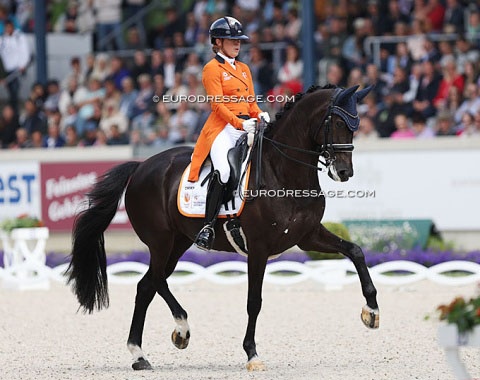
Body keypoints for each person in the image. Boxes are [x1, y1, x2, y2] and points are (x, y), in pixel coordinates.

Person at [188, 16, 270, 251]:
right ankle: (208, 226)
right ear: (218, 42)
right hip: (223, 129)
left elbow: (251, 102)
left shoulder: (244, 69)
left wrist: (259, 114)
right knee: (224, 171)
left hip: (247, 126)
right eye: (232, 40)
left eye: (239, 40)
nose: (237, 44)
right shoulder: (211, 69)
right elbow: (217, 106)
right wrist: (239, 124)